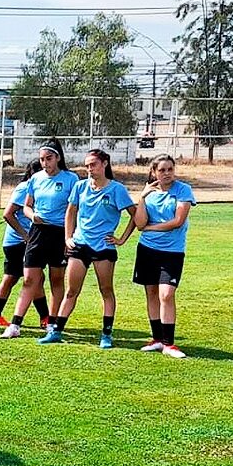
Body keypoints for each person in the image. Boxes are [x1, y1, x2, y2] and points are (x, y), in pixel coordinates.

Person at [40, 148, 144, 346]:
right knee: (71, 291)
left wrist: (121, 239)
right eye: (87, 166)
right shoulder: (80, 187)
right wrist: (68, 237)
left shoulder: (117, 190)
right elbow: (70, 212)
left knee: (106, 290)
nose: (89, 169)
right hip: (80, 245)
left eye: (93, 165)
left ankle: (106, 335)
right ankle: (56, 332)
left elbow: (136, 215)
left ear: (105, 164)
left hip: (103, 248)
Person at [0, 140, 78, 339]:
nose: (45, 163)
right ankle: (15, 324)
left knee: (56, 279)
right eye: (42, 159)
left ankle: (52, 322)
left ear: (58, 158)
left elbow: (75, 210)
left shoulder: (71, 179)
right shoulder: (35, 179)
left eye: (49, 158)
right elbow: (26, 206)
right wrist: (32, 215)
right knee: (29, 279)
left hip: (59, 234)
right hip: (38, 233)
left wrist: (70, 237)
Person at [121, 154, 196, 358]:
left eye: (170, 169)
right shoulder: (149, 193)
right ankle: (157, 339)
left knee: (167, 294)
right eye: (162, 170)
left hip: (172, 252)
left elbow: (177, 221)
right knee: (152, 293)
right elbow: (139, 223)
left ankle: (169, 344)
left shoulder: (183, 190)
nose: (166, 174)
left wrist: (151, 228)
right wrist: (142, 197)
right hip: (147, 250)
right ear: (154, 172)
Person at [0, 160, 51, 328]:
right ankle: (45, 318)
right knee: (35, 278)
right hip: (17, 242)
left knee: (12, 277)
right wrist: (25, 235)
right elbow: (8, 214)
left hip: (24, 241)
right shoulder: (25, 187)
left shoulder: (40, 188)